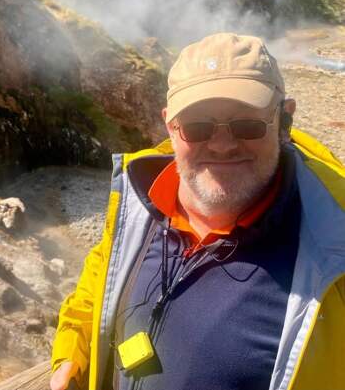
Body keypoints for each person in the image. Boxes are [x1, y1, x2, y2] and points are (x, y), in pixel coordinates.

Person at [49, 33, 345, 390]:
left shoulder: (332, 248)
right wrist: (73, 351)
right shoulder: (140, 205)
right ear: (170, 126)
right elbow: (100, 278)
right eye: (197, 127)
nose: (222, 145)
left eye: (246, 124)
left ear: (284, 121)